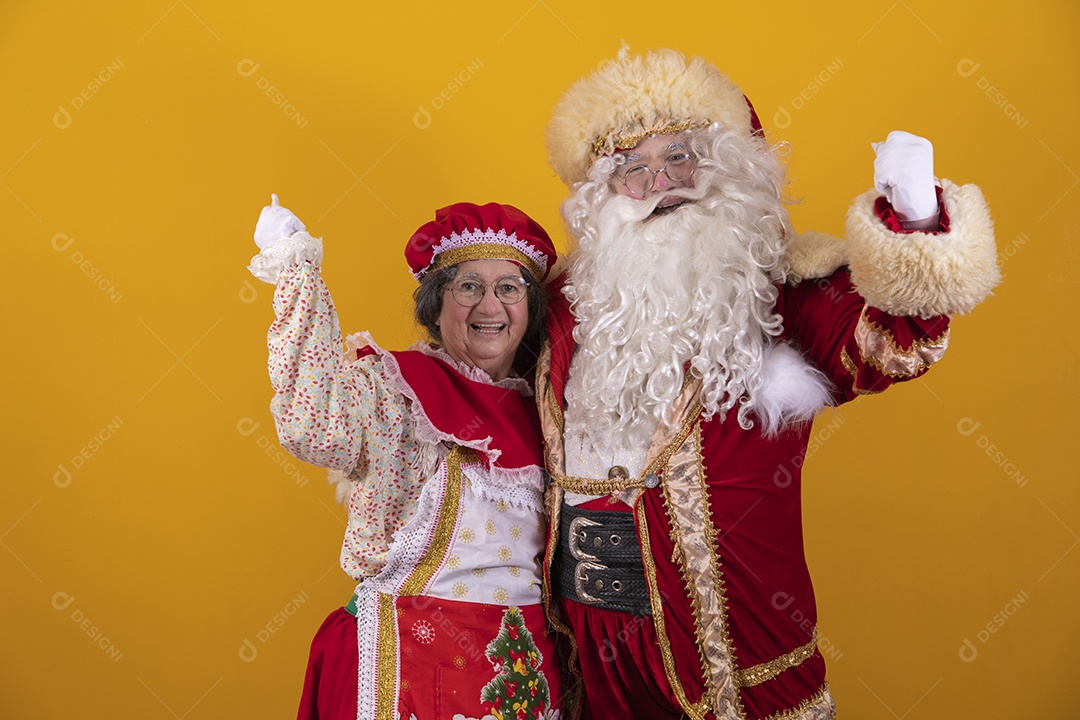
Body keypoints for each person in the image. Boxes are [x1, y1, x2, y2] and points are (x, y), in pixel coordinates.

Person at [536, 48, 1000, 720]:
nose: (659, 182)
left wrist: (916, 212)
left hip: (735, 657)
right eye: (631, 168)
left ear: (728, 166)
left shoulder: (781, 295)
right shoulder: (566, 305)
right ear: (603, 194)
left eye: (680, 157)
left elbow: (892, 344)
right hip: (592, 656)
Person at [248, 199, 565, 720]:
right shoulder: (394, 392)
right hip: (401, 664)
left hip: (519, 679)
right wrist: (298, 272)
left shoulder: (549, 412)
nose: (491, 306)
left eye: (509, 288)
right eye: (468, 286)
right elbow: (312, 423)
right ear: (435, 305)